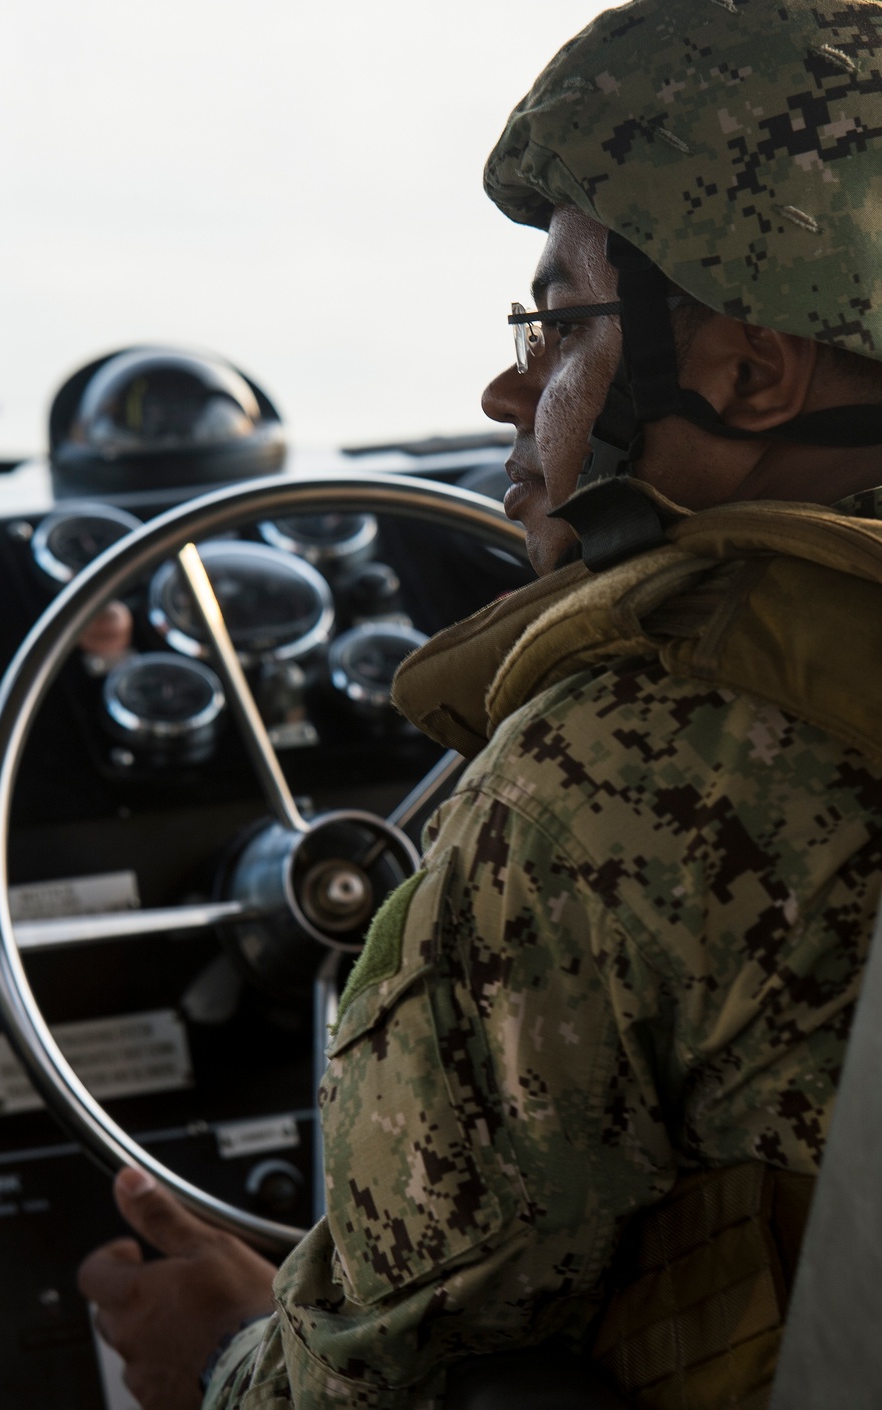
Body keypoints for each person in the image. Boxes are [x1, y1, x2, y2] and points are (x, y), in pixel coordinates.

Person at [78, 1, 882, 1405]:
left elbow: (375, 1381)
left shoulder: (633, 754)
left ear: (750, 371)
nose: (508, 385)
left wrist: (217, 1351)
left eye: (561, 319)